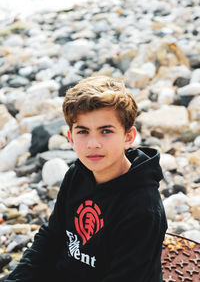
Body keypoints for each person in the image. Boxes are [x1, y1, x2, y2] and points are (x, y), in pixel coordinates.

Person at [2, 76, 167, 282]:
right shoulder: (78, 174)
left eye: (106, 131)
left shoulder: (142, 207)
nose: (93, 144)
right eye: (83, 131)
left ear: (128, 137)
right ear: (70, 138)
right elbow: (51, 238)